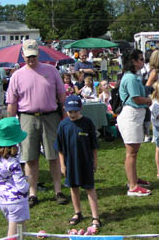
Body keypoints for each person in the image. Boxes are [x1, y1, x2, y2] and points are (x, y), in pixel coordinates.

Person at [6, 39, 68, 208]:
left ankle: (58, 191)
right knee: (29, 157)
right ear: (23, 56)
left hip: (50, 117)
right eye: (28, 57)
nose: (31, 59)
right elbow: (11, 102)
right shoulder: (17, 76)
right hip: (27, 118)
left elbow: (61, 94)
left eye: (33, 56)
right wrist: (11, 124)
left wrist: (65, 114)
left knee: (53, 156)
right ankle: (32, 193)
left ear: (38, 54)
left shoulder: (51, 71)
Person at [55, 95, 101, 233]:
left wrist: (94, 161)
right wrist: (62, 165)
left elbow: (94, 146)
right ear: (65, 110)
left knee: (89, 188)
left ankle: (95, 217)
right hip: (71, 163)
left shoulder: (87, 123)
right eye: (70, 111)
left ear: (80, 109)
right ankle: (77, 212)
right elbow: (60, 149)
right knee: (73, 187)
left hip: (86, 162)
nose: (73, 114)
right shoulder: (63, 125)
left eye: (75, 111)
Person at [117, 49, 153, 197]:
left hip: (135, 116)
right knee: (131, 152)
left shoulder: (132, 77)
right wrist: (150, 100)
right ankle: (132, 186)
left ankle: (134, 179)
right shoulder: (131, 78)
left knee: (134, 152)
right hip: (131, 115)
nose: (142, 61)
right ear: (133, 61)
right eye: (140, 59)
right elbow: (136, 98)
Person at [0, 117, 29, 238]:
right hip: (17, 201)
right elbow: (21, 186)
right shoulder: (13, 162)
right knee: (13, 235)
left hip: (2, 199)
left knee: (21, 231)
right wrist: (28, 183)